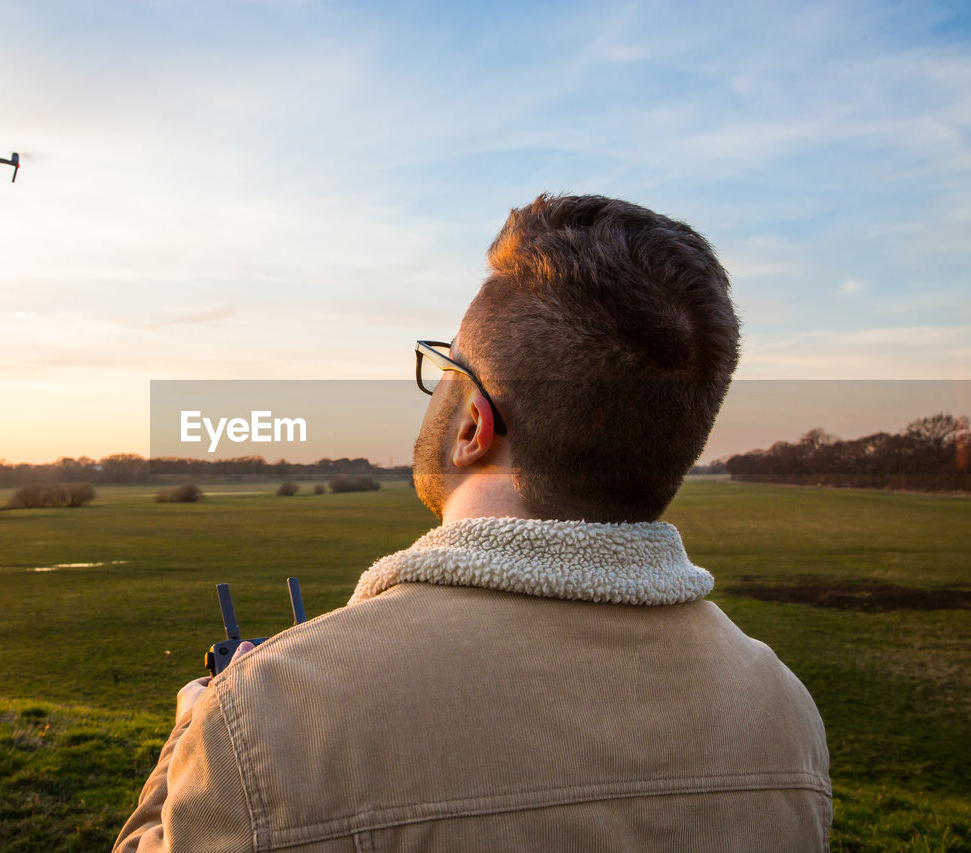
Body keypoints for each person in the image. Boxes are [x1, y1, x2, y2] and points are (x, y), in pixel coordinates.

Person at [114, 194, 831, 852]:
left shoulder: (269, 719)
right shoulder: (783, 714)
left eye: (446, 366)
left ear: (474, 425)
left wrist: (195, 730)